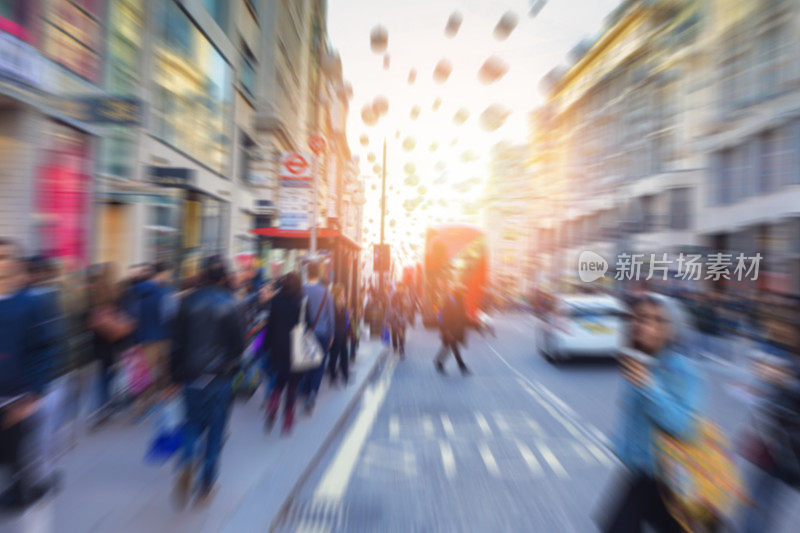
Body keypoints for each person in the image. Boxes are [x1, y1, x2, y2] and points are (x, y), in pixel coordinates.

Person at [600, 294, 703, 533]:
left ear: (671, 328)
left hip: (671, 481)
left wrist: (647, 385)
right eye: (639, 317)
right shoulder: (643, 361)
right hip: (642, 473)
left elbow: (683, 425)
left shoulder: (681, 370)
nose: (643, 324)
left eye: (656, 319)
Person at [169, 255, 245, 508]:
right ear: (224, 277)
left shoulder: (187, 301)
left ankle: (187, 459)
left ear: (202, 274)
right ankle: (206, 487)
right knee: (215, 432)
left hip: (191, 376)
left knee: (191, 424)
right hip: (220, 378)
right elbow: (238, 346)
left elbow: (176, 343)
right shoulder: (232, 303)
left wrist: (174, 376)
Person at [0, 240, 57, 512]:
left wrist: (33, 393)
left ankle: (29, 494)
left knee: (19, 462)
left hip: (17, 399)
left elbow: (43, 349)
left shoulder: (29, 303)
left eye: (4, 256)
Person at [263, 272, 304, 434]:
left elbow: (270, 324)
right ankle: (287, 419)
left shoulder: (276, 300)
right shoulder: (301, 302)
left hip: (278, 346)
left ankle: (273, 403)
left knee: (280, 379)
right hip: (295, 347)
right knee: (293, 385)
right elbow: (307, 325)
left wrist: (266, 346)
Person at [299, 260, 334, 414]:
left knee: (307, 361)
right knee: (320, 364)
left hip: (306, 332)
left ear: (307, 273)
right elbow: (331, 316)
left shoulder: (301, 290)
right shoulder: (326, 292)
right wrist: (332, 334)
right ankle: (313, 392)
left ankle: (304, 389)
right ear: (318, 274)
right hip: (323, 333)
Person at [434, 282, 470, 375]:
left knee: (448, 347)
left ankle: (439, 362)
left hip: (454, 330)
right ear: (458, 292)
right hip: (449, 330)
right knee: (453, 348)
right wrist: (446, 331)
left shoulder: (459, 302)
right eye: (463, 292)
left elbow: (461, 317)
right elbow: (445, 317)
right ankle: (461, 366)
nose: (464, 294)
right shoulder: (450, 301)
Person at [328, 284, 350, 385]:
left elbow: (345, 319)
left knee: (342, 354)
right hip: (336, 334)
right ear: (337, 294)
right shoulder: (333, 304)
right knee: (335, 354)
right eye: (342, 293)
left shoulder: (342, 304)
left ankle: (344, 374)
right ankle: (335, 375)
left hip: (341, 333)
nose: (343, 295)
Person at [388, 286, 409, 358]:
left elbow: (409, 305)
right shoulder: (394, 295)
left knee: (401, 334)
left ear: (403, 288)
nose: (400, 289)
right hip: (395, 318)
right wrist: (391, 316)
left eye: (401, 288)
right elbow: (391, 306)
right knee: (394, 334)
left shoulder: (406, 295)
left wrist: (405, 303)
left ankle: (401, 349)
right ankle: (395, 347)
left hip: (402, 318)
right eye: (399, 287)